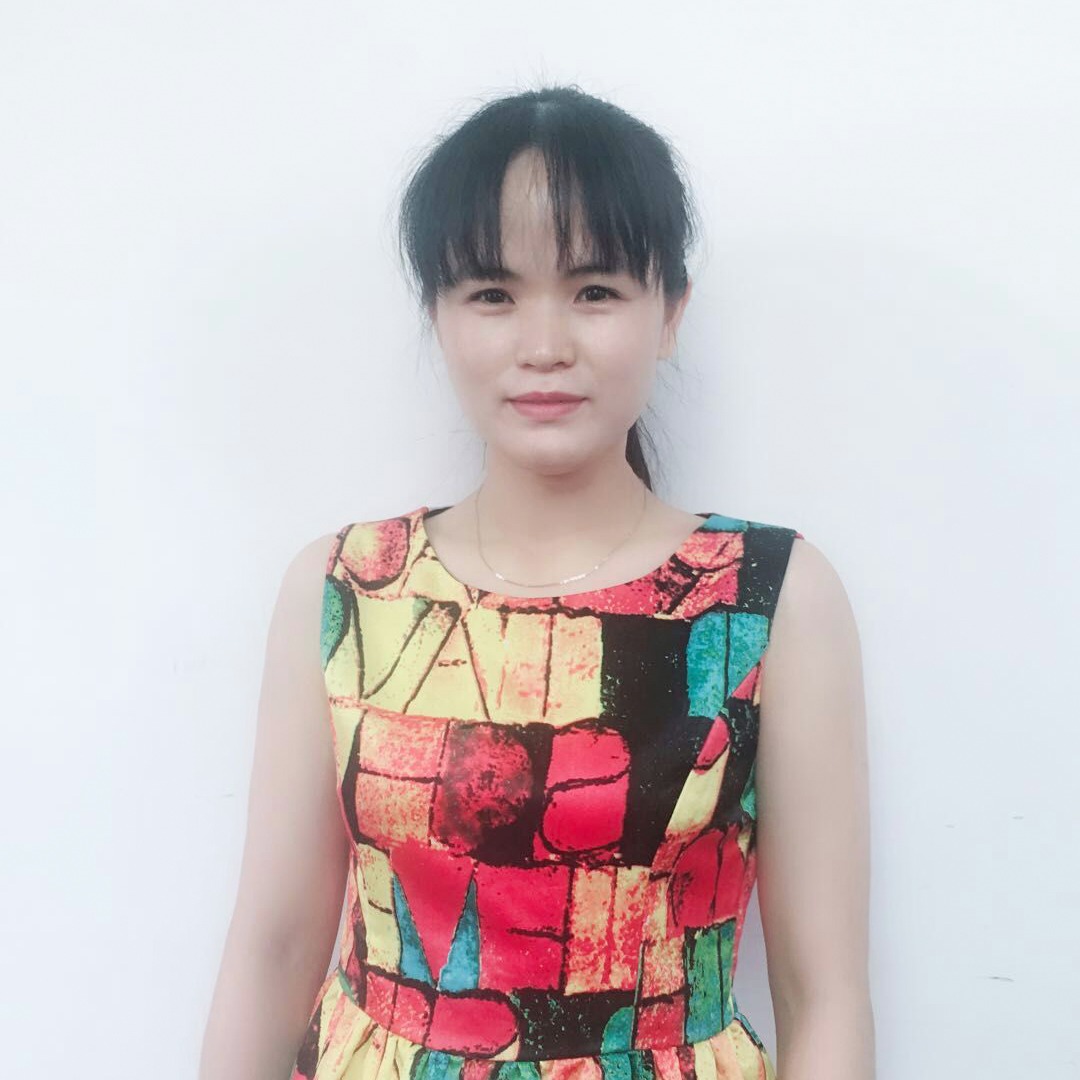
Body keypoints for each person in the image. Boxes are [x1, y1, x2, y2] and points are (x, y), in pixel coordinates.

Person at [199, 84, 874, 1080]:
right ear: (439, 315)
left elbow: (828, 994)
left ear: (670, 312)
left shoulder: (771, 599)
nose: (545, 344)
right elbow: (273, 949)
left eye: (595, 291)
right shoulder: (346, 588)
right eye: (494, 294)